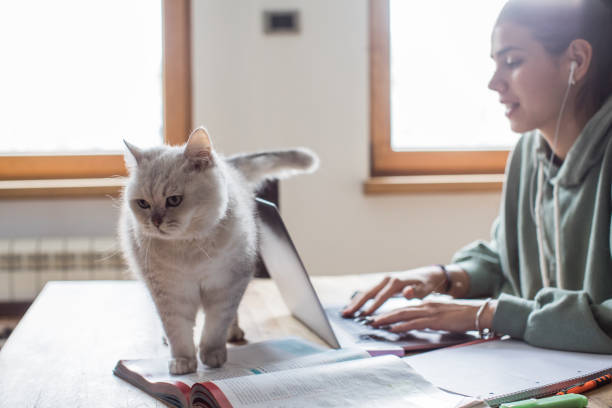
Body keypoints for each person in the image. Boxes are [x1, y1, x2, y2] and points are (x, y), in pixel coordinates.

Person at [343, 0, 612, 353]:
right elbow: (507, 260)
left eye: (512, 62)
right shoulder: (527, 153)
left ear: (576, 59)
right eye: (494, 64)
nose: (493, 83)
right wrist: (442, 276)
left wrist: (486, 314)